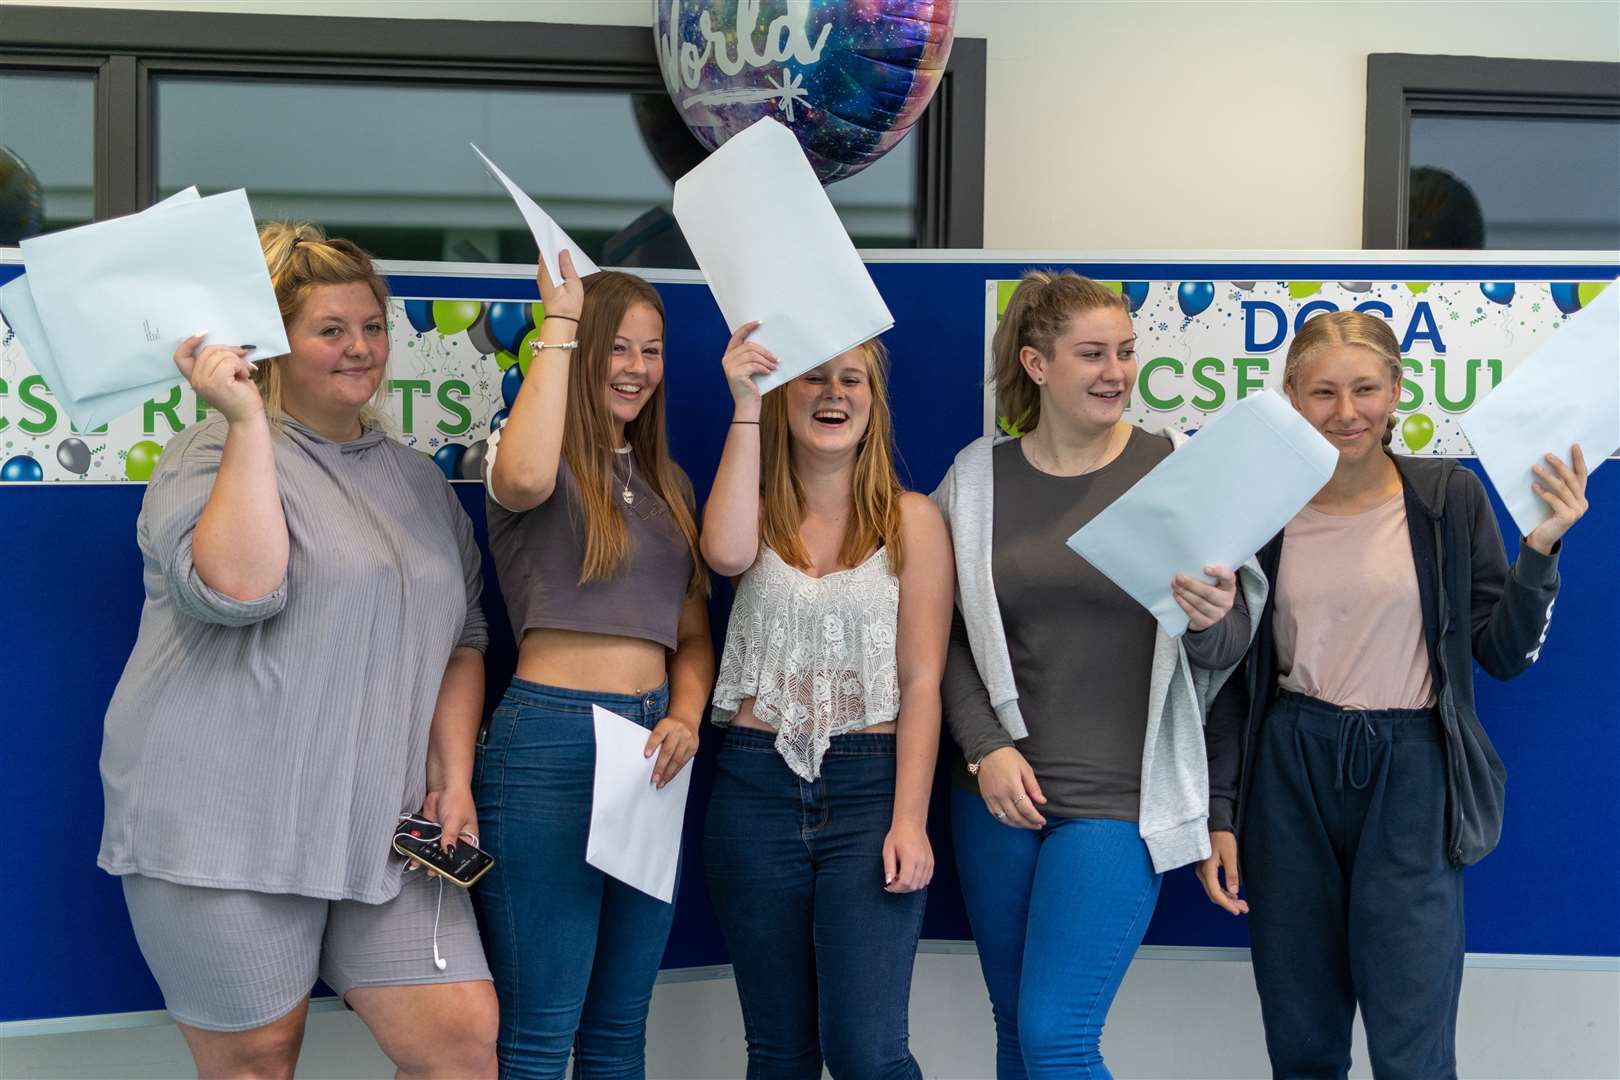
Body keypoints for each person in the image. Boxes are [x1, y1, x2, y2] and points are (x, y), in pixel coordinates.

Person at [98, 223, 498, 1079]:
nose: (360, 349)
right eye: (330, 331)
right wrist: (244, 418)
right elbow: (237, 593)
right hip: (227, 823)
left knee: (460, 1043)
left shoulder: (418, 480)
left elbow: (462, 637)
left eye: (373, 327)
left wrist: (451, 777)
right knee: (259, 1061)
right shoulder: (206, 453)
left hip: (383, 826)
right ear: (273, 347)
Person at [1198, 310, 1588, 1078]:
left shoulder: (1448, 497)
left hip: (1413, 771)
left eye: (1365, 389)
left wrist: (1540, 550)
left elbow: (1501, 654)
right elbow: (1232, 680)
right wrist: (1220, 813)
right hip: (1290, 769)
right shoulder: (1257, 513)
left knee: (1413, 1046)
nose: (1347, 412)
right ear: (1291, 396)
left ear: (1397, 391)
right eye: (1324, 392)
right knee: (1303, 1044)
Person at [933, 270, 1263, 1079]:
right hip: (998, 798)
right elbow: (935, 635)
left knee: (1055, 1036)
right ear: (1037, 363)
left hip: (1121, 805)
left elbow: (1229, 657)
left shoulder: (1175, 468)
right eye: (1092, 354)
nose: (1116, 371)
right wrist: (984, 747)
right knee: (1015, 1035)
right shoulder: (974, 479)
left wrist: (1213, 617)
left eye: (1125, 351)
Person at [476, 248, 713, 1079]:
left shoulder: (670, 482)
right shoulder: (528, 458)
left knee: (618, 1034)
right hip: (548, 749)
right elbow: (528, 471)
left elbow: (690, 636)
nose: (637, 368)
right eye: (619, 347)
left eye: (651, 350)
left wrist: (685, 714)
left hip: (652, 754)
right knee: (540, 1034)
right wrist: (563, 323)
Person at [700, 327, 953, 1079]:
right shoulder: (753, 507)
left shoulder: (914, 522)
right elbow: (724, 554)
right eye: (813, 379)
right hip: (753, 792)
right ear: (786, 397)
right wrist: (745, 404)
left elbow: (922, 684)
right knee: (778, 1053)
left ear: (874, 404)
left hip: (871, 790)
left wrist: (910, 818)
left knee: (867, 1053)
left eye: (853, 380)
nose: (834, 394)